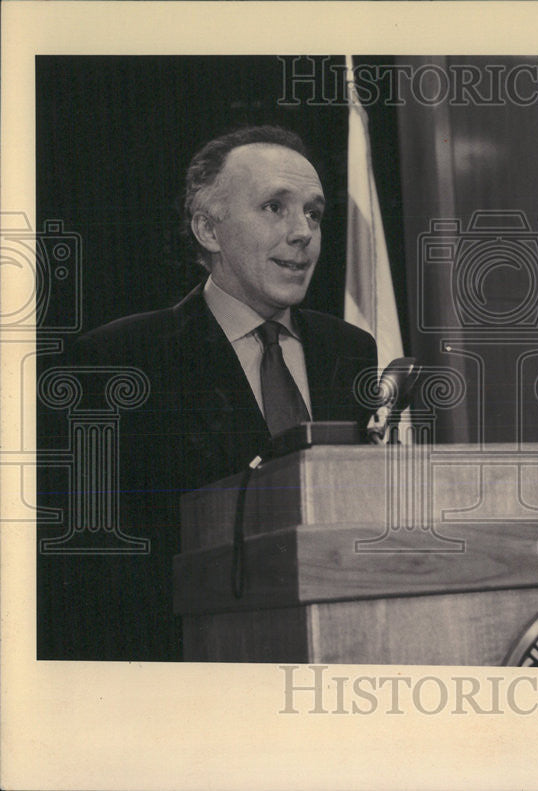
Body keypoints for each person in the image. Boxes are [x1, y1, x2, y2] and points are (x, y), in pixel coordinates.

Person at [38, 125, 378, 661]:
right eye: (274, 207)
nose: (303, 232)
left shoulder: (351, 350)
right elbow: (93, 574)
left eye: (314, 213)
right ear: (208, 229)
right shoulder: (118, 359)